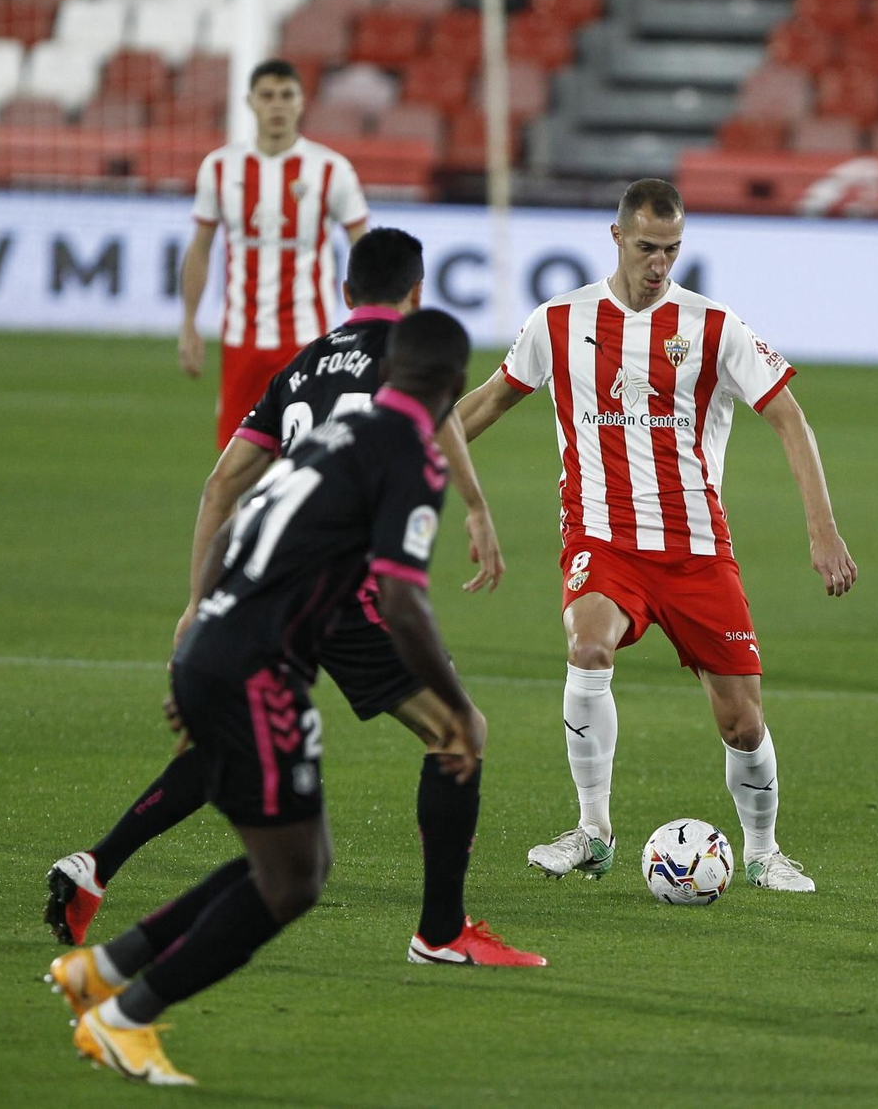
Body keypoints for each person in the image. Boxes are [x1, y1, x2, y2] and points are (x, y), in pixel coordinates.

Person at [45, 229, 541, 969]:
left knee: (231, 747)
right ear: (417, 294)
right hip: (349, 590)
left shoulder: (304, 365)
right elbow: (431, 420)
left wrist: (195, 602)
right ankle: (441, 932)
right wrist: (476, 507)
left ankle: (94, 866)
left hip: (264, 590)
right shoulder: (405, 357)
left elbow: (223, 483)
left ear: (344, 294)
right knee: (457, 733)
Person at [46, 310, 489, 1085]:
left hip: (224, 649)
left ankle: (101, 971)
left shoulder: (327, 438)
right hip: (254, 668)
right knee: (291, 880)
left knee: (293, 861)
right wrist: (452, 704)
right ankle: (124, 1019)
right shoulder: (411, 459)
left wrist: (200, 644)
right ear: (451, 389)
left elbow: (232, 521)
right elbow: (404, 600)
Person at [456, 178, 857, 892]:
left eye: (672, 250)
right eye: (647, 248)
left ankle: (763, 851)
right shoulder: (557, 322)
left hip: (696, 550)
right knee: (587, 645)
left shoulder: (714, 327)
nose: (659, 264)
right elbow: (487, 402)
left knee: (740, 721)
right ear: (616, 238)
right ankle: (593, 830)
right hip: (602, 540)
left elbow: (789, 417)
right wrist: (406, 454)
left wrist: (822, 531)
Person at [179, 57, 370, 449]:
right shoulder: (219, 168)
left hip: (307, 339)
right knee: (234, 466)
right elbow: (200, 248)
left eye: (287, 95)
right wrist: (188, 321)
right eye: (267, 96)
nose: (277, 105)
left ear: (301, 102)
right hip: (240, 340)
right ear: (250, 102)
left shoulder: (331, 170)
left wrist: (369, 325)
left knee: (303, 456)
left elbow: (364, 251)